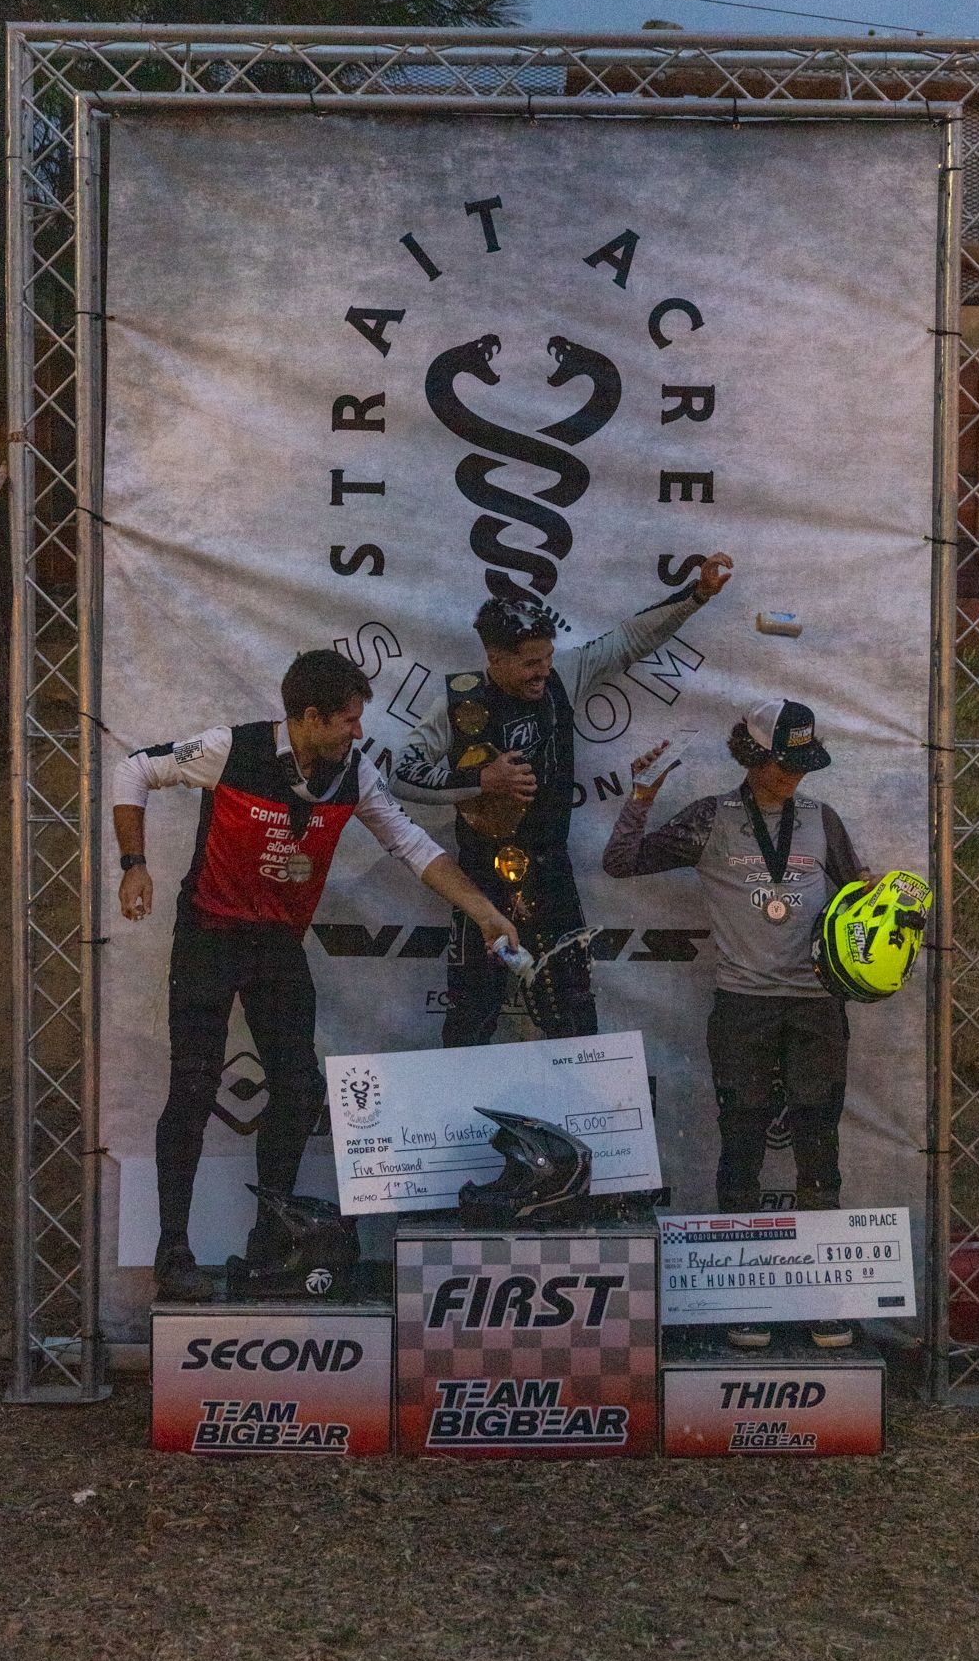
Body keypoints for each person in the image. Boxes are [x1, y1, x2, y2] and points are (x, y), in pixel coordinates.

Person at [113, 649, 518, 1302]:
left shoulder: (352, 775)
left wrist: (483, 910)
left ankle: (268, 1239)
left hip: (276, 942)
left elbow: (415, 847)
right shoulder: (228, 749)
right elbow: (133, 768)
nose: (358, 733)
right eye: (348, 721)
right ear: (308, 718)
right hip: (209, 936)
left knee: (298, 1090)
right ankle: (173, 1252)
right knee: (191, 1089)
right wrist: (134, 861)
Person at [602, 697, 871, 1352]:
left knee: (817, 1146)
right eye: (780, 763)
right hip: (742, 1003)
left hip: (815, 1003)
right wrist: (639, 795)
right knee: (743, 1143)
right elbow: (620, 862)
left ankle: (823, 1302)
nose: (790, 778)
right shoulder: (710, 819)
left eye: (801, 766)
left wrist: (881, 900)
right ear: (749, 755)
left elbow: (859, 893)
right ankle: (742, 1299)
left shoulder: (821, 818)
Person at [390, 558, 732, 1046]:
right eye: (530, 663)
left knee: (574, 1016)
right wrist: (480, 780)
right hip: (480, 884)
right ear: (495, 659)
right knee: (470, 1017)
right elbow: (400, 775)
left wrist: (695, 595)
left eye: (546, 657)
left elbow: (628, 640)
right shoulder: (456, 701)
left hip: (552, 876)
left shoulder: (562, 677)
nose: (542, 670)